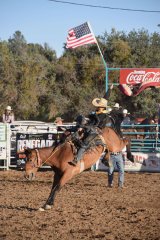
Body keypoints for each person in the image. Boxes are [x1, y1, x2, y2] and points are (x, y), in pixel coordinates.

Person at [70, 98, 111, 166]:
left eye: (99, 106)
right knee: (74, 136)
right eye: (98, 106)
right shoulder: (97, 113)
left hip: (95, 131)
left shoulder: (103, 115)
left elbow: (96, 124)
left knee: (84, 144)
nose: (97, 107)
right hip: (91, 128)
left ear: (102, 107)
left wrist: (85, 126)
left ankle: (77, 159)